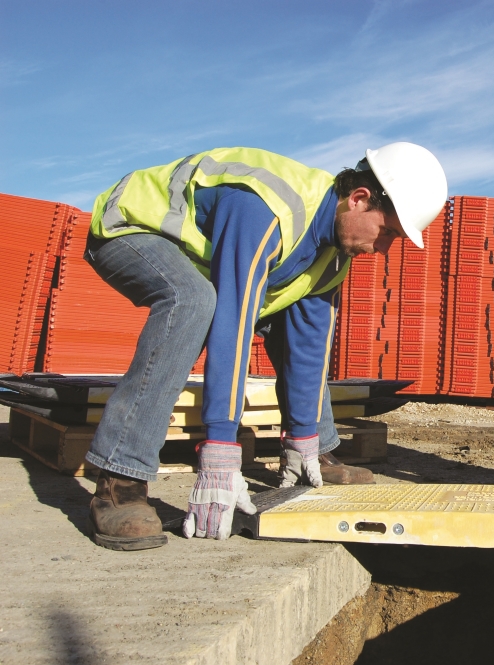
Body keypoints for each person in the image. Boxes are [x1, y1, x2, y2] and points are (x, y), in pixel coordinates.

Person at [83, 143, 447, 551]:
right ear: (359, 199)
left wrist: (304, 438)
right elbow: (233, 321)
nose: (383, 249)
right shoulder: (269, 212)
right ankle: (120, 479)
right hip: (133, 228)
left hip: (210, 260)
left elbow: (309, 347)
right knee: (194, 301)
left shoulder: (333, 256)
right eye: (388, 232)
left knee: (290, 321)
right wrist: (220, 449)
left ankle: (313, 451)